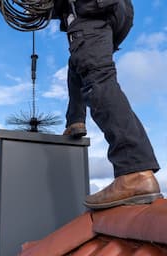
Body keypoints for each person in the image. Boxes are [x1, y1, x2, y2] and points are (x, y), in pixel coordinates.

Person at [52, 0, 163, 209]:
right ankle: (75, 120)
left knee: (97, 78)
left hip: (89, 9)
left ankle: (134, 172)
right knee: (79, 62)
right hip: (115, 10)